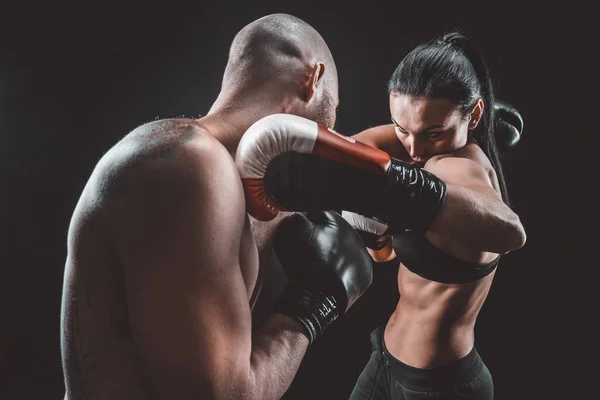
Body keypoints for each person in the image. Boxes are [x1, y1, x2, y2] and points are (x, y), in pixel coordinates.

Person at [59, 13, 374, 400]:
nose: (330, 131)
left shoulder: (233, 183)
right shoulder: (189, 165)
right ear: (313, 80)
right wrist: (314, 305)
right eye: (333, 113)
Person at [234, 32, 526, 399]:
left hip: (442, 386)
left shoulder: (465, 170)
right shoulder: (420, 142)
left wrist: (394, 189)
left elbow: (510, 232)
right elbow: (346, 155)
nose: (414, 149)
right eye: (403, 128)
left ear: (474, 114)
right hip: (384, 361)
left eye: (433, 133)